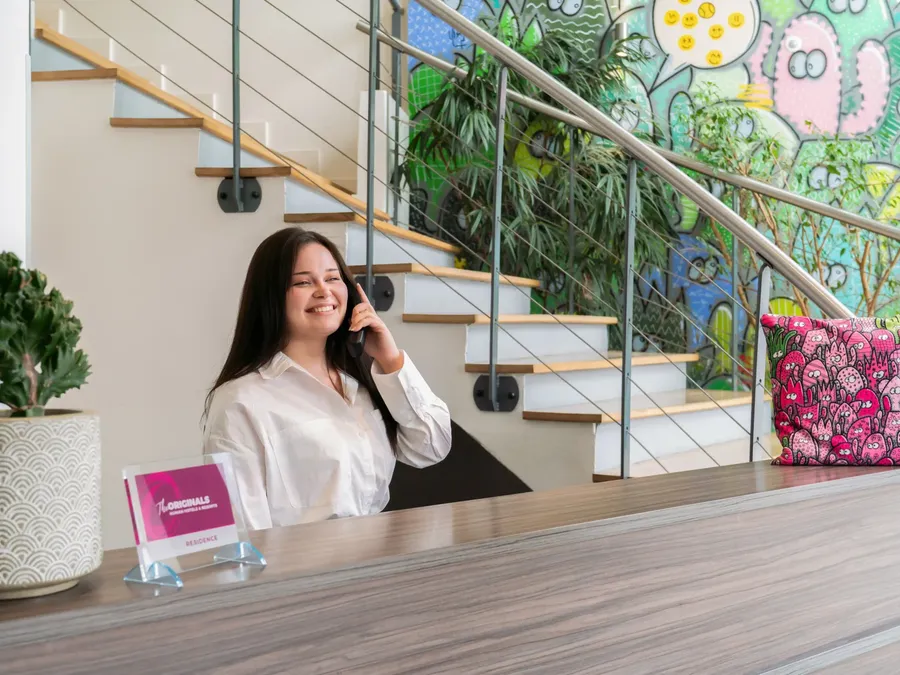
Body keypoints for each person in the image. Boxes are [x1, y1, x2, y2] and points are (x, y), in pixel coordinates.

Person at [203, 227, 452, 530]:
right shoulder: (242, 401)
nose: (324, 290)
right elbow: (243, 531)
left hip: (376, 564)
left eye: (333, 278)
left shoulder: (359, 384)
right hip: (304, 573)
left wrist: (390, 359)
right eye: (303, 282)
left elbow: (432, 447)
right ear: (269, 296)